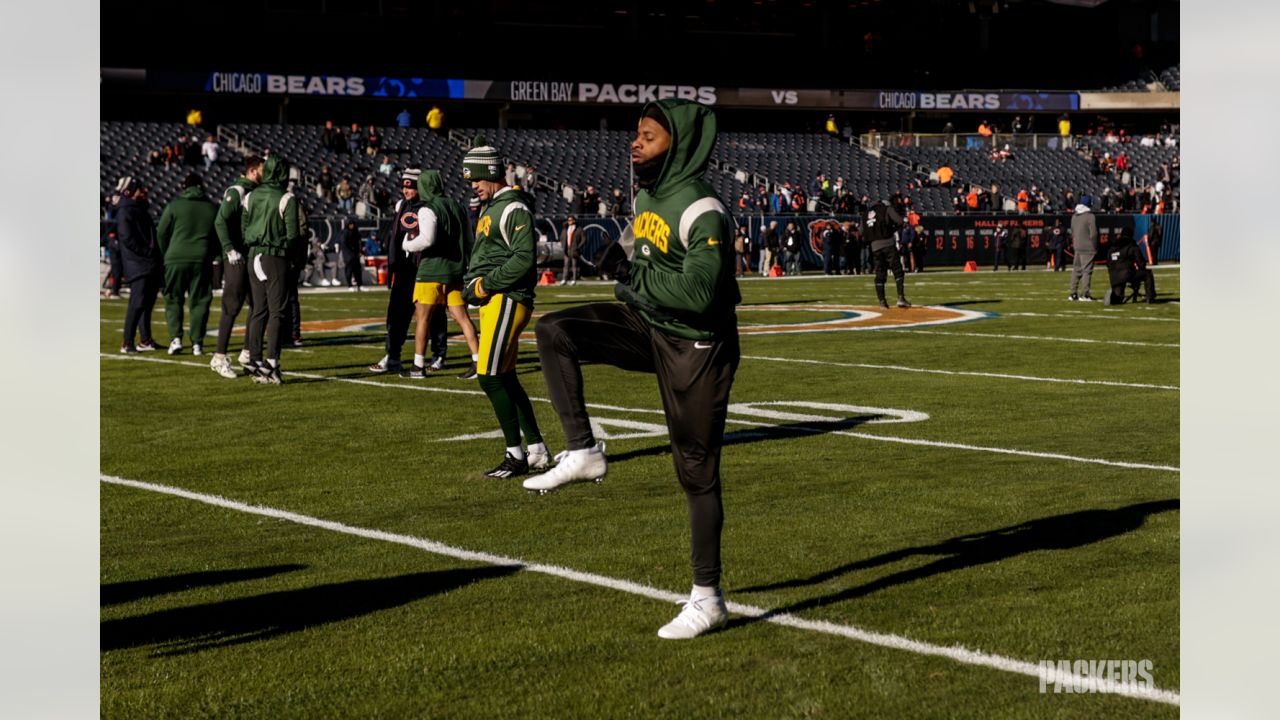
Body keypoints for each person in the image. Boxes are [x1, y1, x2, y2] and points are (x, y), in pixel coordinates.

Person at [524, 99, 741, 640]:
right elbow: (642, 254)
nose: (635, 143)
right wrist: (623, 260)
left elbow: (698, 293)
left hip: (698, 345)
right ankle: (583, 451)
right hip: (650, 327)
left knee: (695, 470)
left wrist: (628, 281)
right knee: (555, 331)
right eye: (636, 134)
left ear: (680, 143)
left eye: (648, 135)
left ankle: (707, 597)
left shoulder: (703, 207)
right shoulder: (647, 195)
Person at [457, 142, 550, 478]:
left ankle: (515, 453)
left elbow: (524, 259)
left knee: (489, 375)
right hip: (495, 299)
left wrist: (484, 284)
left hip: (507, 297)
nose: (473, 184)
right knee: (506, 377)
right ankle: (536, 448)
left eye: (476, 178)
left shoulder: (513, 208)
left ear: (491, 173)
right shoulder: (493, 206)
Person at [399, 170, 481, 379]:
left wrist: (407, 244)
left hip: (431, 272)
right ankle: (479, 361)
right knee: (463, 318)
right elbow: (470, 240)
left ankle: (418, 365)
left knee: (423, 319)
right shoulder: (459, 206)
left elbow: (427, 240)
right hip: (455, 272)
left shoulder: (428, 208)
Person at [369, 169, 448, 374]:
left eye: (410, 186)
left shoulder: (429, 208)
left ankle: (438, 355)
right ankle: (393, 355)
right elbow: (395, 238)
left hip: (425, 270)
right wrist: (392, 264)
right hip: (404, 270)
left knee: (433, 315)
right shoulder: (401, 206)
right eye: (403, 186)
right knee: (396, 316)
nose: (406, 190)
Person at [241, 156, 301, 384]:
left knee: (258, 310)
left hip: (253, 255)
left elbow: (243, 228)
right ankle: (272, 363)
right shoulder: (287, 198)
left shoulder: (251, 195)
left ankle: (254, 360)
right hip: (275, 257)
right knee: (278, 311)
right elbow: (293, 235)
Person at [208, 156, 263, 377]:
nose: (265, 174)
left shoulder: (253, 190)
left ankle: (247, 352)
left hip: (249, 254)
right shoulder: (237, 190)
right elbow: (220, 221)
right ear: (252, 171)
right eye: (261, 170)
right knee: (232, 306)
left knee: (258, 304)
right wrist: (230, 249)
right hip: (236, 257)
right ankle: (219, 357)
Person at [156, 173, 218, 356]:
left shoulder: (174, 206)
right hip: (201, 259)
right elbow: (217, 236)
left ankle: (176, 339)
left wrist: (166, 254)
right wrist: (211, 254)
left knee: (173, 299)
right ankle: (197, 343)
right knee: (200, 302)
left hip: (175, 259)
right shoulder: (212, 208)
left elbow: (161, 233)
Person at [116, 178, 162, 352]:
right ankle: (127, 342)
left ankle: (145, 340)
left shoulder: (138, 209)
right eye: (140, 190)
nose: (144, 192)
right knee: (137, 303)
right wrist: (148, 251)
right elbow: (128, 238)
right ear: (130, 192)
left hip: (147, 263)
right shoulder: (126, 211)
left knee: (147, 303)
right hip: (138, 264)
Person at [862, 197, 910, 308]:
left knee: (880, 274)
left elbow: (861, 231)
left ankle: (882, 301)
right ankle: (901, 298)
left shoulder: (865, 214)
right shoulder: (887, 209)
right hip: (888, 243)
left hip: (874, 247)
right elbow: (899, 221)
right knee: (897, 270)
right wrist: (893, 228)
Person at [1104, 228, 1156, 305]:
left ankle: (1115, 297)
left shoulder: (1113, 246)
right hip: (1127, 274)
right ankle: (1150, 297)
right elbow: (1140, 263)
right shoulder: (1131, 245)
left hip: (1114, 277)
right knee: (1147, 274)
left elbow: (1108, 263)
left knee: (1117, 298)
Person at [1068, 195, 1099, 301]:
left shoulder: (1074, 216)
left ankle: (1073, 293)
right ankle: (1085, 294)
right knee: (1087, 271)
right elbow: (1093, 233)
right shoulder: (1090, 216)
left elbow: (1072, 232)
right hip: (1088, 247)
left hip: (1077, 246)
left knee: (1076, 270)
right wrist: (1095, 246)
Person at [340, 220, 365, 291]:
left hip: (356, 254)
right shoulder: (345, 233)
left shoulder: (356, 232)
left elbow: (359, 242)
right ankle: (350, 286)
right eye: (350, 224)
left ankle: (360, 285)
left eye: (353, 224)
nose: (352, 226)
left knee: (358, 270)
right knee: (349, 270)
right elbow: (344, 244)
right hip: (348, 255)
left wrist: (359, 251)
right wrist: (350, 252)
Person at [561, 216, 581, 285]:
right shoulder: (566, 228)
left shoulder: (578, 229)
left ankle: (574, 279)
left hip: (574, 249)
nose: (569, 221)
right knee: (566, 265)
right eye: (568, 220)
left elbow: (583, 239)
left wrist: (578, 247)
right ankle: (564, 279)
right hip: (567, 249)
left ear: (574, 220)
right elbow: (563, 224)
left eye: (571, 220)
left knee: (574, 265)